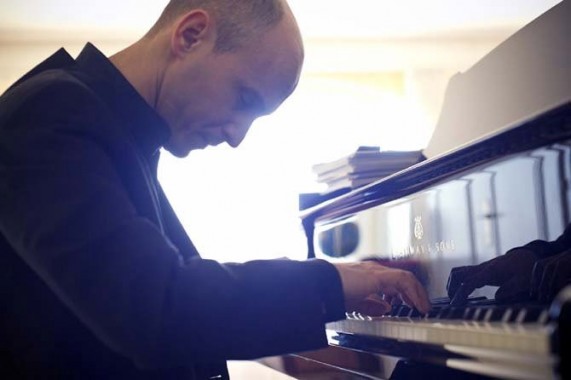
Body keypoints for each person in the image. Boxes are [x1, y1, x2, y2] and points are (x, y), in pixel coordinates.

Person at [0, 0, 430, 378]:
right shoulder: (51, 112)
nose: (237, 136)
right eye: (244, 99)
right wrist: (329, 283)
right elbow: (156, 309)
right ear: (190, 36)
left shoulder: (112, 129)